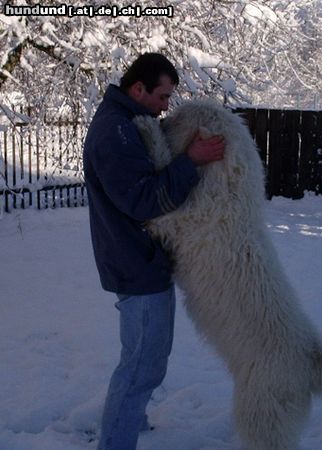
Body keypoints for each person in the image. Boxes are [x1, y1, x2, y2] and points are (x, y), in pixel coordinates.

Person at [83, 53, 225, 450]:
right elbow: (144, 199)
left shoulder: (128, 123)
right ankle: (116, 441)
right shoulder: (115, 132)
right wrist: (191, 161)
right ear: (138, 89)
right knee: (142, 366)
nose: (167, 106)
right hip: (136, 264)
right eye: (163, 96)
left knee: (145, 359)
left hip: (140, 259)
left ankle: (130, 421)